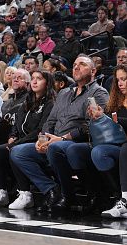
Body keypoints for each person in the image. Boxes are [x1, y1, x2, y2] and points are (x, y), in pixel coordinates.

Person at [10, 55, 109, 213]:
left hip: (78, 143)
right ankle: (51, 189)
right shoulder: (64, 93)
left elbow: (92, 126)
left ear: (93, 71)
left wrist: (63, 138)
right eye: (75, 64)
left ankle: (67, 195)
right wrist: (42, 140)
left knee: (58, 148)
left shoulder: (98, 93)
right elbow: (50, 121)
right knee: (18, 152)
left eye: (82, 64)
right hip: (54, 142)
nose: (76, 67)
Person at [0, 70, 56, 209]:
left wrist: (16, 143)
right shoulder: (27, 102)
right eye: (33, 78)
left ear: (47, 83)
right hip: (20, 141)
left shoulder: (50, 104)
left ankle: (25, 194)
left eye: (39, 79)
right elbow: (17, 124)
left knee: (15, 151)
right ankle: (1, 192)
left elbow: (40, 130)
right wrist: (12, 136)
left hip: (37, 142)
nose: (34, 81)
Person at [90, 65, 127, 218]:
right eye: (118, 80)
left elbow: (119, 122)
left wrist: (119, 121)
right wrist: (100, 116)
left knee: (126, 149)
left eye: (124, 79)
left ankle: (125, 200)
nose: (120, 83)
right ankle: (118, 196)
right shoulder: (114, 102)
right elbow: (110, 125)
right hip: (118, 144)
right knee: (99, 152)